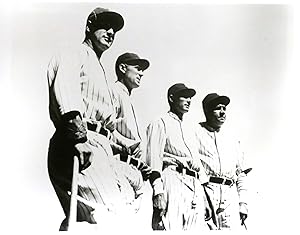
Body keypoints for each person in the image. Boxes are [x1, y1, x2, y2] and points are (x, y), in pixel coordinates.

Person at [47, 7, 131, 230]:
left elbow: (108, 125)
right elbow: (65, 92)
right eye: (105, 25)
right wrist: (78, 139)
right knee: (110, 216)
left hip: (98, 144)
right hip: (78, 141)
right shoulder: (74, 52)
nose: (111, 31)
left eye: (115, 29)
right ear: (89, 26)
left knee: (90, 222)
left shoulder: (98, 67)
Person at [146, 83, 210, 231]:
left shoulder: (190, 128)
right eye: (184, 96)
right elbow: (153, 160)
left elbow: (198, 164)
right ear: (171, 99)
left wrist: (205, 197)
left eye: (190, 97)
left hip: (195, 185)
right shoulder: (160, 122)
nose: (188, 100)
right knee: (172, 228)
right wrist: (158, 192)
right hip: (173, 178)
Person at [192, 93, 252, 230]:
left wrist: (243, 202)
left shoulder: (232, 138)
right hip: (206, 194)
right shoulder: (194, 132)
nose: (222, 112)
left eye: (224, 108)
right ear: (207, 111)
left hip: (229, 196)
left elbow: (241, 174)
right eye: (217, 108)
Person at [109, 52, 152, 215]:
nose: (141, 73)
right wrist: (129, 148)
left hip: (135, 170)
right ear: (122, 68)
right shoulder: (113, 91)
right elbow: (106, 129)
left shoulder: (126, 96)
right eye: (138, 68)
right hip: (120, 165)